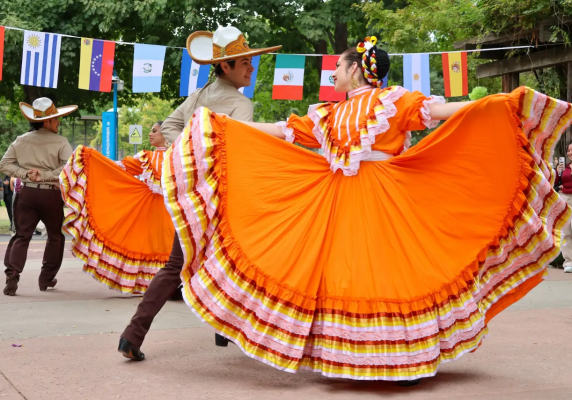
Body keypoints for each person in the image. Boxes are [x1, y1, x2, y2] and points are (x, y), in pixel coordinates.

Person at [160, 36, 572, 384]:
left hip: (383, 198)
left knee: (375, 271)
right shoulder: (331, 112)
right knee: (359, 271)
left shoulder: (391, 102)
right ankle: (370, 354)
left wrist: (500, 103)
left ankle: (380, 354)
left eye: (337, 68)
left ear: (356, 69)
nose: (333, 74)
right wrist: (221, 125)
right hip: (348, 200)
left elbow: (442, 113)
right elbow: (281, 131)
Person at [117, 26, 281, 361]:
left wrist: (189, 152)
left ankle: (135, 335)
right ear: (225, 66)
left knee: (187, 263)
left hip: (189, 193)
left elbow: (168, 128)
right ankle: (223, 331)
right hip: (221, 198)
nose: (251, 68)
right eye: (246, 63)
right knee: (232, 261)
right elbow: (239, 153)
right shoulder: (239, 104)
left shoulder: (199, 96)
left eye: (250, 62)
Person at [60, 121, 174, 294]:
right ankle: (157, 286)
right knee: (148, 244)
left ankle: (171, 286)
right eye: (151, 130)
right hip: (150, 209)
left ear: (166, 134)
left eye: (154, 131)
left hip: (171, 208)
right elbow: (119, 167)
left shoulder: (179, 156)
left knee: (168, 245)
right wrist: (93, 158)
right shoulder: (147, 157)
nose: (150, 134)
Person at [0, 98, 76, 296]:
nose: (59, 122)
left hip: (27, 193)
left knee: (22, 235)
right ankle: (46, 278)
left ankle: (13, 274)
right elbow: (70, 169)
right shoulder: (61, 142)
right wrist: (46, 175)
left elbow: (4, 165)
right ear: (46, 121)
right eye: (56, 118)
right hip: (51, 195)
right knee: (55, 236)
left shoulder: (20, 140)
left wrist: (26, 174)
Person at [555, 143, 572, 273]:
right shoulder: (565, 168)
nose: (570, 153)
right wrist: (556, 171)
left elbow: (566, 186)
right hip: (565, 200)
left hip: (568, 194)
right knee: (566, 232)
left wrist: (565, 188)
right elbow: (555, 184)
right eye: (568, 151)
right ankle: (568, 263)